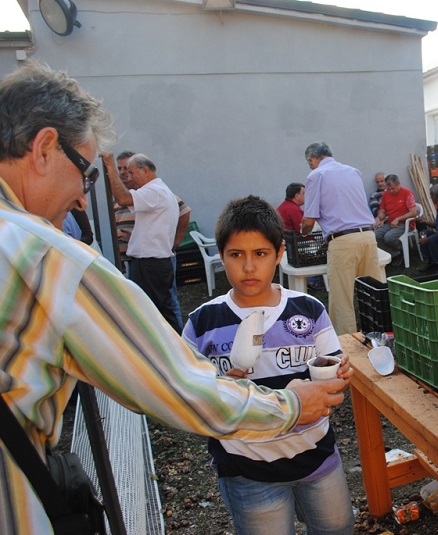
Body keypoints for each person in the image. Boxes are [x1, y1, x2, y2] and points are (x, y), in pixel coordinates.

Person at [0, 60, 344, 535]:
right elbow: (179, 385)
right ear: (42, 150)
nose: (83, 199)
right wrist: (289, 406)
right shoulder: (47, 259)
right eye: (88, 174)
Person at [182, 196, 355, 535]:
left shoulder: (308, 309)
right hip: (246, 468)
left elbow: (333, 366)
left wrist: (340, 374)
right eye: (236, 255)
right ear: (221, 256)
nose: (249, 267)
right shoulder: (202, 323)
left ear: (278, 255)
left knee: (337, 527)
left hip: (315, 456)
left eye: (260, 254)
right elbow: (188, 394)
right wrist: (220, 386)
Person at [300, 142, 382, 335]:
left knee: (342, 299)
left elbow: (309, 220)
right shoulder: (353, 172)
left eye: (309, 163)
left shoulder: (316, 175)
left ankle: (348, 347)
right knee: (373, 293)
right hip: (368, 237)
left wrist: (303, 231)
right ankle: (380, 337)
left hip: (343, 241)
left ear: (312, 159)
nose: (310, 166)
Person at [110, 150, 192, 327]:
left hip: (150, 263)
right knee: (160, 310)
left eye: (131, 172)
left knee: (154, 312)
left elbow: (124, 198)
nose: (129, 177)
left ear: (145, 170)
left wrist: (109, 164)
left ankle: (175, 348)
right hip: (151, 262)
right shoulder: (158, 191)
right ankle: (175, 347)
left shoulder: (154, 191)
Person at [276, 182, 323, 290]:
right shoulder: (293, 210)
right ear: (297, 195)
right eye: (304, 193)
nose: (306, 196)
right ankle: (312, 280)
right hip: (294, 246)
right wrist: (317, 241)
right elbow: (302, 232)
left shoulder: (285, 206)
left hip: (286, 244)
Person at [374, 174, 417, 266]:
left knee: (389, 237)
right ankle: (396, 254)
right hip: (390, 222)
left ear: (398, 184)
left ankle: (403, 249)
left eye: (393, 188)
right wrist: (379, 217)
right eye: (389, 189)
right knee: (376, 236)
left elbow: (413, 212)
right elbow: (382, 210)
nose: (391, 191)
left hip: (405, 224)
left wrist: (398, 219)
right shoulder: (385, 195)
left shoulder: (407, 193)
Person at [416, 183, 438, 273]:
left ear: (434, 196)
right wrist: (425, 221)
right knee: (424, 233)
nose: (430, 197)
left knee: (431, 239)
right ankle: (429, 260)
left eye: (431, 195)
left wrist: (427, 239)